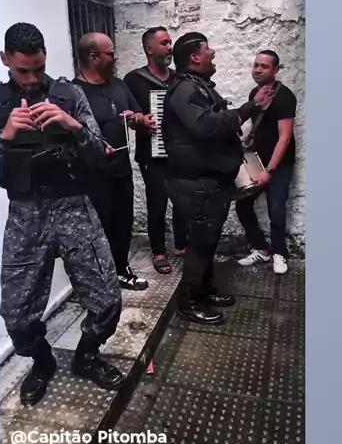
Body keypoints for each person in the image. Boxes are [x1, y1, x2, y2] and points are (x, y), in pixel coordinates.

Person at [0, 22, 125, 407]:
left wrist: (73, 126)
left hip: (74, 206)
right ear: (5, 60)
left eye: (38, 68)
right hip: (26, 215)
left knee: (107, 300)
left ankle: (86, 355)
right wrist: (4, 136)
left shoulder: (69, 95)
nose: (31, 78)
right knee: (17, 315)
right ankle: (42, 361)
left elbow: (102, 154)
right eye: (22, 70)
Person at [162, 32, 274, 325]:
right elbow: (205, 126)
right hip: (195, 183)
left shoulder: (197, 86)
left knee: (208, 240)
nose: (213, 53)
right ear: (194, 57)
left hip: (209, 181)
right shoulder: (185, 90)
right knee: (201, 243)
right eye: (208, 49)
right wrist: (249, 108)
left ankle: (204, 290)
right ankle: (189, 302)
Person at [73, 32, 156, 291]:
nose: (115, 57)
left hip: (121, 170)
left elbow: (142, 119)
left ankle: (121, 270)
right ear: (93, 57)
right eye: (110, 53)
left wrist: (136, 119)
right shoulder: (74, 93)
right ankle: (100, 279)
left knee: (123, 223)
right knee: (98, 228)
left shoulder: (119, 85)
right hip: (92, 175)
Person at [123, 27, 188, 275]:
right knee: (157, 203)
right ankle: (159, 251)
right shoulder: (133, 80)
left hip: (179, 153)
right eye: (164, 43)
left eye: (170, 42)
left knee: (182, 200)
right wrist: (140, 122)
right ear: (149, 49)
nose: (170, 47)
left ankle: (181, 244)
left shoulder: (178, 78)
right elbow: (128, 115)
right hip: (151, 153)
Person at [236, 50, 297, 275]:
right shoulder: (255, 93)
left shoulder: (285, 97)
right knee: (242, 205)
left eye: (264, 66)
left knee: (276, 208)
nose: (258, 70)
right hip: (258, 160)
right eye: (256, 65)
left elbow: (285, 137)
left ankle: (280, 253)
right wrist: (246, 140)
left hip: (279, 163)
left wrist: (269, 170)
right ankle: (261, 249)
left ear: (275, 70)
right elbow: (258, 123)